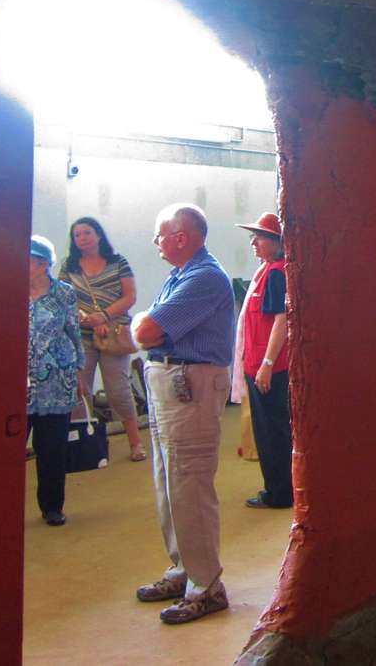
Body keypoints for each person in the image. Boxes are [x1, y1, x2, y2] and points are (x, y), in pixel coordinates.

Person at [131, 203, 235, 625]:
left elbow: (144, 331)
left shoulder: (204, 278)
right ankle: (185, 569)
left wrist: (140, 320)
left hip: (189, 388)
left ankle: (207, 586)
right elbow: (146, 328)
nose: (155, 242)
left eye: (160, 235)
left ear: (181, 237)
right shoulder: (182, 276)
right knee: (168, 482)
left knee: (188, 484)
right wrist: (144, 321)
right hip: (172, 387)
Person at [58, 216, 146, 461]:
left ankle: (136, 443)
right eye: (77, 235)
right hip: (81, 335)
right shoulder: (69, 265)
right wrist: (86, 317)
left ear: (98, 235)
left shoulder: (118, 262)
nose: (82, 239)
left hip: (115, 334)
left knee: (118, 391)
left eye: (87, 233)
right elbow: (64, 297)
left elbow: (130, 297)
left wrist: (103, 317)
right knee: (79, 390)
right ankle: (85, 443)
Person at [234, 211, 294, 509]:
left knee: (272, 432)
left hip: (268, 368)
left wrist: (267, 365)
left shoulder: (275, 274)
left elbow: (281, 322)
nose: (254, 243)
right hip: (259, 366)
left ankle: (280, 492)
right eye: (252, 237)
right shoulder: (268, 271)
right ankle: (280, 487)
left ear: (275, 241)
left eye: (259, 238)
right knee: (269, 429)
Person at [27, 234, 85, 527]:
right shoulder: (6, 289)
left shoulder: (63, 293)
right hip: (17, 384)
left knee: (52, 448)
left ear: (43, 264)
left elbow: (74, 333)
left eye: (29, 260)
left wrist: (79, 371)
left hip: (56, 381)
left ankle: (52, 507)